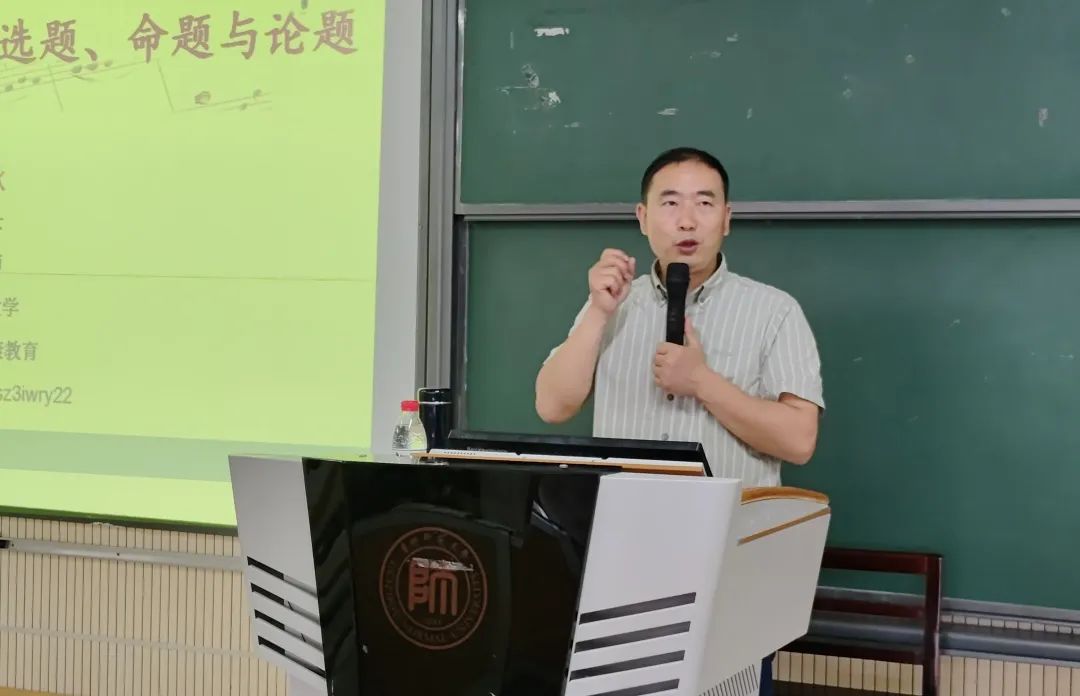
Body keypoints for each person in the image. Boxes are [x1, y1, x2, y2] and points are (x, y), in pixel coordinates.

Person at [534, 146, 825, 696]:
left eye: (704, 203)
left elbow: (799, 439)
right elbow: (552, 404)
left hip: (730, 568)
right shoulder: (611, 305)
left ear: (727, 218)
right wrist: (597, 312)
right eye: (670, 203)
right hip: (620, 564)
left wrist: (703, 383)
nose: (687, 220)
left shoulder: (774, 312)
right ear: (643, 218)